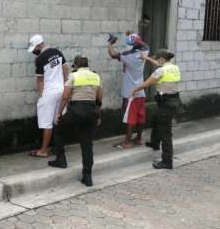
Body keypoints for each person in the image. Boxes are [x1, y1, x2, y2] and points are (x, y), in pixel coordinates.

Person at [49, 55, 102, 187]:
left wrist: (59, 113)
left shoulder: (73, 76)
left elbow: (65, 97)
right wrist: (98, 116)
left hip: (77, 110)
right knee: (87, 147)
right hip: (92, 112)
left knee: (57, 128)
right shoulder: (96, 77)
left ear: (77, 65)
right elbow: (99, 99)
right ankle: (87, 177)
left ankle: (61, 159)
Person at [129, 49, 181, 169]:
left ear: (162, 59)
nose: (157, 60)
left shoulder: (161, 71)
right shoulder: (174, 67)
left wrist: (134, 91)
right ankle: (154, 142)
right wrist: (147, 59)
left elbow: (145, 84)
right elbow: (158, 65)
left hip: (167, 104)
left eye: (158, 59)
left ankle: (167, 161)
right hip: (175, 102)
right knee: (155, 119)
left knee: (166, 133)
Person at [27, 34, 69, 158]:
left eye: (35, 49)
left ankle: (43, 151)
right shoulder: (57, 52)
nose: (34, 52)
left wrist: (41, 95)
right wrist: (65, 85)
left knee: (47, 124)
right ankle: (58, 148)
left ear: (39, 45)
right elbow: (65, 69)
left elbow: (40, 80)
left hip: (49, 93)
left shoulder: (40, 59)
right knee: (59, 121)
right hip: (61, 92)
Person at [108, 34, 149, 149]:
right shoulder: (144, 53)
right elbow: (146, 45)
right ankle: (139, 138)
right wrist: (135, 37)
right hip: (140, 92)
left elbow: (112, 54)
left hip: (131, 92)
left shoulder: (129, 55)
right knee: (140, 115)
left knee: (131, 116)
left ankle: (127, 141)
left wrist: (110, 43)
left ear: (134, 44)